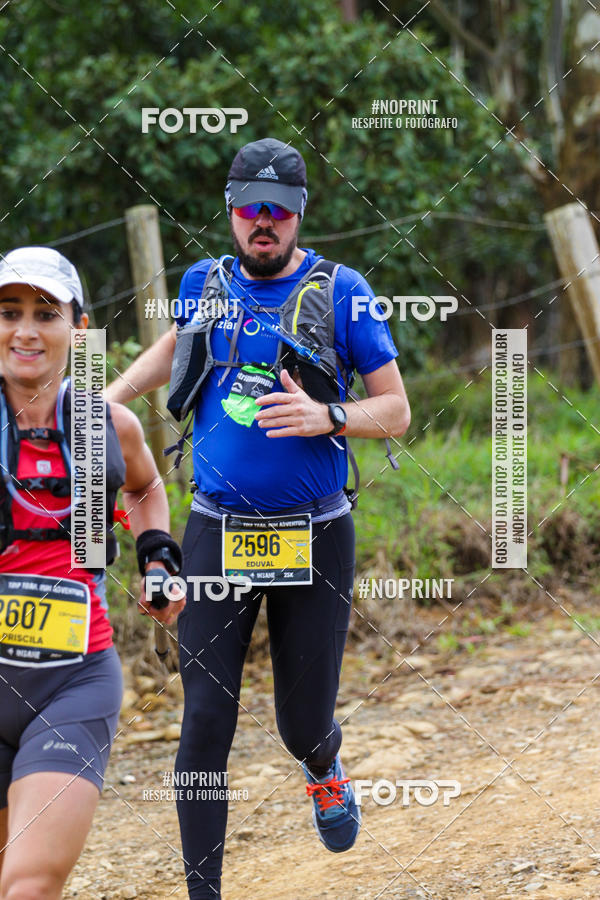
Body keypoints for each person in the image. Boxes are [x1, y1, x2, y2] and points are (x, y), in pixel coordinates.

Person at [106, 137, 410, 899]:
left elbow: (397, 410)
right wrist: (103, 403)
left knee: (300, 724)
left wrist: (328, 415)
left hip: (316, 533)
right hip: (217, 531)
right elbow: (174, 345)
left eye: (278, 209)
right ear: (231, 212)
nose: (263, 221)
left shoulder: (343, 292)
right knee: (206, 721)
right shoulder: (204, 282)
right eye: (249, 209)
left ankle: (323, 766)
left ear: (300, 213)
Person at [0, 246, 184, 900]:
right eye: (9, 312)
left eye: (45, 313)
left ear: (79, 329)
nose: (25, 330)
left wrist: (157, 556)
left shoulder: (105, 424)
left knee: (28, 882)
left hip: (73, 682)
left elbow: (144, 487)